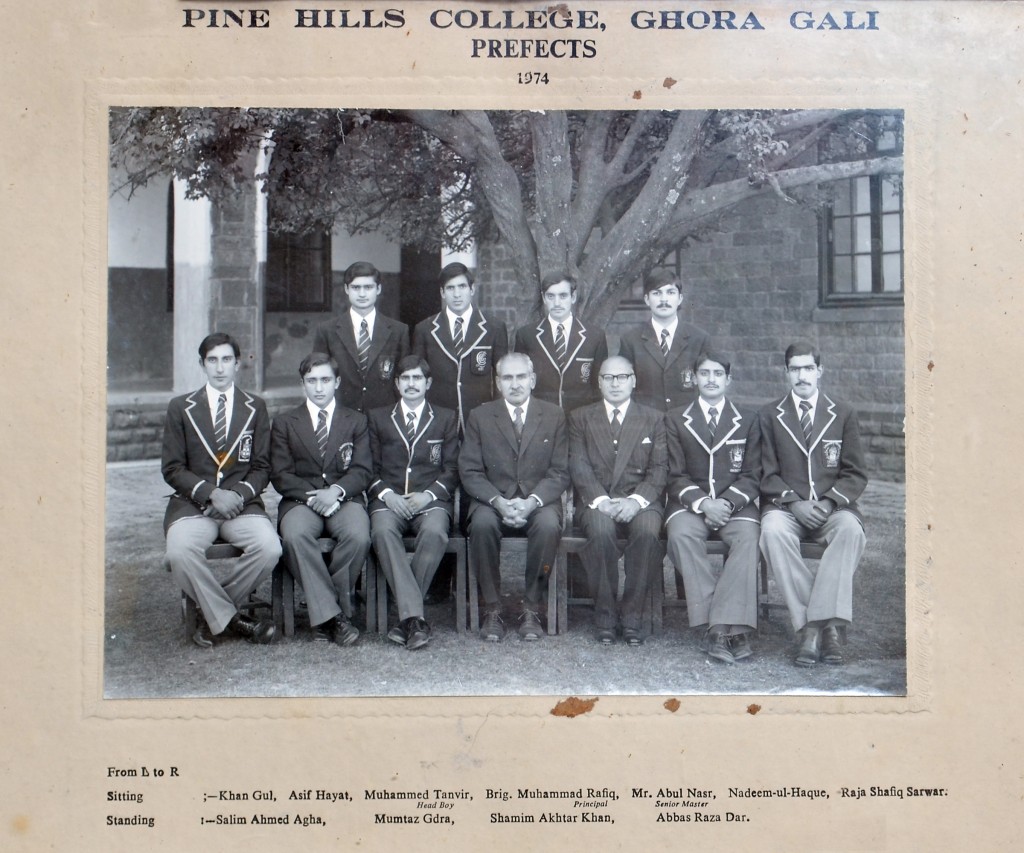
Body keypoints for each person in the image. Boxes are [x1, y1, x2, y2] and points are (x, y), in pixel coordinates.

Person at [161, 332, 282, 648]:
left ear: (237, 364)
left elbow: (262, 467)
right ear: (202, 364)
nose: (219, 367)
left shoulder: (255, 406)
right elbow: (172, 468)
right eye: (212, 360)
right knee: (179, 552)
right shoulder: (181, 407)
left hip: (241, 506)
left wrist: (236, 495)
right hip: (193, 505)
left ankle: (210, 613)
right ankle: (233, 619)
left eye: (226, 359)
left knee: (269, 547)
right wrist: (210, 493)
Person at [758, 341, 868, 667]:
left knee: (851, 531)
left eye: (808, 368)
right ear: (786, 372)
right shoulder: (769, 415)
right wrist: (794, 504)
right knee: (771, 531)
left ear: (820, 371)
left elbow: (855, 473)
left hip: (831, 508)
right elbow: (765, 473)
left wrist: (830, 502)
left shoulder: (843, 413)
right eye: (795, 369)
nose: (802, 376)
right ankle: (824, 626)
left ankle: (812, 628)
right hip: (787, 509)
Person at [458, 353, 569, 641]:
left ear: (533, 380)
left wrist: (532, 502)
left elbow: (560, 471)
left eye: (521, 377)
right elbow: (470, 470)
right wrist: (497, 501)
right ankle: (492, 608)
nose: (515, 384)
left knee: (548, 525)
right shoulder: (480, 416)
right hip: (493, 501)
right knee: (481, 524)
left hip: (538, 501)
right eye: (508, 378)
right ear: (498, 383)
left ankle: (532, 607)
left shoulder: (554, 415)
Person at [664, 351, 762, 664]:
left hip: (735, 506)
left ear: (728, 379)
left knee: (748, 537)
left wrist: (727, 503)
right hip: (691, 504)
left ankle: (719, 627)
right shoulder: (676, 418)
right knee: (680, 536)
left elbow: (753, 474)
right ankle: (725, 625)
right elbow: (673, 473)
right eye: (704, 373)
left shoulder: (748, 419)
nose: (710, 379)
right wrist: (704, 503)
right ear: (694, 378)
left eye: (718, 374)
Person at [270, 352, 371, 646]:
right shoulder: (285, 422)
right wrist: (314, 497)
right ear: (302, 384)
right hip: (301, 501)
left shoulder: (356, 420)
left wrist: (336, 491)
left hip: (344, 499)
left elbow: (362, 470)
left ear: (337, 382)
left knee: (358, 535)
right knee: (295, 535)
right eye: (311, 381)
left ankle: (325, 612)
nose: (318, 387)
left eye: (325, 380)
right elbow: (281, 474)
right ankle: (335, 617)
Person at [568, 356, 667, 645]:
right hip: (598, 501)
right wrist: (601, 500)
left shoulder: (654, 418)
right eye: (608, 378)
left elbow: (659, 468)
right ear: (599, 382)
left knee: (647, 532)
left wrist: (636, 501)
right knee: (600, 532)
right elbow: (578, 465)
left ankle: (633, 615)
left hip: (641, 501)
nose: (615, 383)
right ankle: (606, 615)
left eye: (622, 377)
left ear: (633, 381)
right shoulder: (580, 417)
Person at [367, 356, 460, 650]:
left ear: (428, 383)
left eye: (417, 378)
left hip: (430, 501)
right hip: (389, 500)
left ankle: (406, 619)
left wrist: (428, 495)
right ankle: (415, 620)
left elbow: (452, 468)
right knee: (382, 532)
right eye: (405, 378)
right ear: (396, 383)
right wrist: (387, 495)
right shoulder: (378, 417)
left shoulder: (446, 417)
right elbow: (368, 468)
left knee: (435, 533)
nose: (411, 384)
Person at [411, 261, 509, 435]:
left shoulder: (494, 327)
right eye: (450, 288)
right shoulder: (425, 329)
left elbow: (501, 377)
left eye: (462, 286)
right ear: (442, 293)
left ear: (472, 289)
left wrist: (495, 417)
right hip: (438, 420)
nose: (457, 294)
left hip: (480, 418)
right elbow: (419, 378)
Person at [312, 260, 409, 414]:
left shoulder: (398, 330)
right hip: (342, 414)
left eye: (368, 287)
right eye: (356, 287)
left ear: (378, 289)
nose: (362, 294)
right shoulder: (327, 330)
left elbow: (404, 376)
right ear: (346, 289)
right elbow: (319, 375)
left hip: (385, 415)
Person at [617, 267, 713, 412]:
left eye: (670, 292)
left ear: (680, 299)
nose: (664, 299)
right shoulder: (631, 340)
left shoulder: (699, 339)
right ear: (647, 300)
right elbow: (624, 386)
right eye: (657, 293)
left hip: (687, 420)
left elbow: (708, 385)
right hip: (647, 420)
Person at [513, 271, 607, 415]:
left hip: (581, 418)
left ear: (573, 297)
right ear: (544, 298)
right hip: (541, 418)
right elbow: (521, 382)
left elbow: (599, 387)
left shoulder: (594, 336)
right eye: (551, 296)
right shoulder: (527, 335)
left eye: (563, 296)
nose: (557, 303)